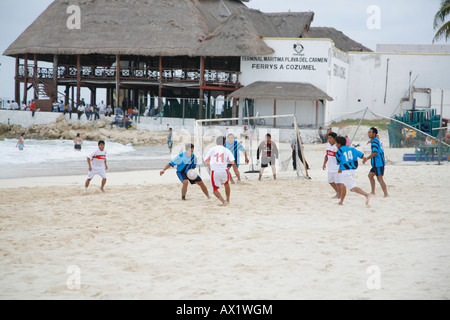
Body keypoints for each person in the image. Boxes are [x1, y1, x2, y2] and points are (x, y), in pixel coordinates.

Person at [335, 136, 371, 207]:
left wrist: (339, 170)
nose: (335, 145)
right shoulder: (352, 149)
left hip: (345, 171)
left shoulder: (339, 151)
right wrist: (364, 159)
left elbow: (339, 162)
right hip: (352, 170)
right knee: (343, 185)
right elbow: (362, 155)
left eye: (336, 143)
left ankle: (366, 195)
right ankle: (341, 201)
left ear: (339, 144)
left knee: (352, 188)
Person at [204, 136, 238, 206]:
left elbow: (206, 160)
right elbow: (232, 161)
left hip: (215, 171)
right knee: (226, 184)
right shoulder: (226, 150)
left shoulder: (212, 149)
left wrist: (211, 164)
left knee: (214, 189)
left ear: (216, 142)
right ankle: (228, 199)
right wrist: (235, 171)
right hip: (224, 170)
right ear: (224, 142)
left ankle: (223, 201)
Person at [363, 127, 389, 198]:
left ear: (374, 134)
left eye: (370, 132)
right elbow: (382, 152)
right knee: (370, 176)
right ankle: (373, 192)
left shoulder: (374, 142)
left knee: (380, 179)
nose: (369, 134)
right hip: (376, 163)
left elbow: (374, 153)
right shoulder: (377, 141)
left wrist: (367, 158)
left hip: (378, 163)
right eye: (368, 132)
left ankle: (386, 194)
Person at [322, 132, 342, 199]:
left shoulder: (337, 147)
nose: (329, 140)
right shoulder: (328, 145)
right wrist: (324, 163)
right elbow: (326, 155)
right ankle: (338, 192)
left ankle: (339, 194)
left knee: (338, 182)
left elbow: (342, 158)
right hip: (330, 167)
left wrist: (341, 167)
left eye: (330, 138)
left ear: (334, 139)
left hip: (337, 168)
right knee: (330, 181)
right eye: (328, 138)